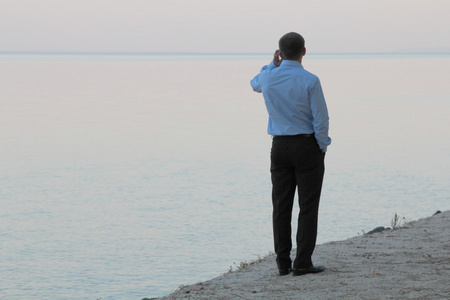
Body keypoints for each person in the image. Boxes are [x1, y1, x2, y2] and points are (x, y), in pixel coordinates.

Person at [250, 32, 331, 276]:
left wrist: (271, 64)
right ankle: (302, 262)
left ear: (280, 52)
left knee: (281, 205)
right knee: (308, 205)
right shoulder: (310, 80)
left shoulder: (268, 78)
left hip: (280, 147)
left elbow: (254, 83)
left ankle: (282, 262)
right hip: (306, 145)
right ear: (304, 51)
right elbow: (321, 118)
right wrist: (321, 146)